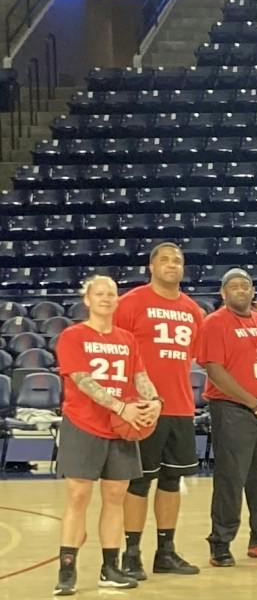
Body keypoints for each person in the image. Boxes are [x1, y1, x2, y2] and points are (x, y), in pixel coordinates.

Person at [54, 274, 159, 594]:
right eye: (99, 293)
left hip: (120, 429)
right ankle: (67, 570)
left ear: (117, 300)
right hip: (83, 424)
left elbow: (140, 376)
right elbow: (84, 381)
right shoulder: (72, 336)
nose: (106, 298)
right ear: (87, 299)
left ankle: (109, 568)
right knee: (78, 497)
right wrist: (120, 407)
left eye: (111, 294)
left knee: (115, 498)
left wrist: (154, 401)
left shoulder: (127, 339)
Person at [115, 242, 204, 579]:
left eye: (178, 260)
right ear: (151, 267)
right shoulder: (131, 303)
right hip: (141, 408)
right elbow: (114, 350)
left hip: (179, 407)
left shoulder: (194, 310)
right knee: (139, 482)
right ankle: (131, 553)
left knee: (172, 479)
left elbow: (196, 355)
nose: (172, 265)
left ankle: (165, 552)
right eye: (164, 260)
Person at [197, 269, 257, 566]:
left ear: (253, 292)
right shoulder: (214, 323)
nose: (241, 290)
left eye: (246, 285)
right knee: (231, 478)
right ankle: (220, 542)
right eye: (234, 286)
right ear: (223, 293)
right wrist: (253, 401)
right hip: (231, 409)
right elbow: (215, 370)